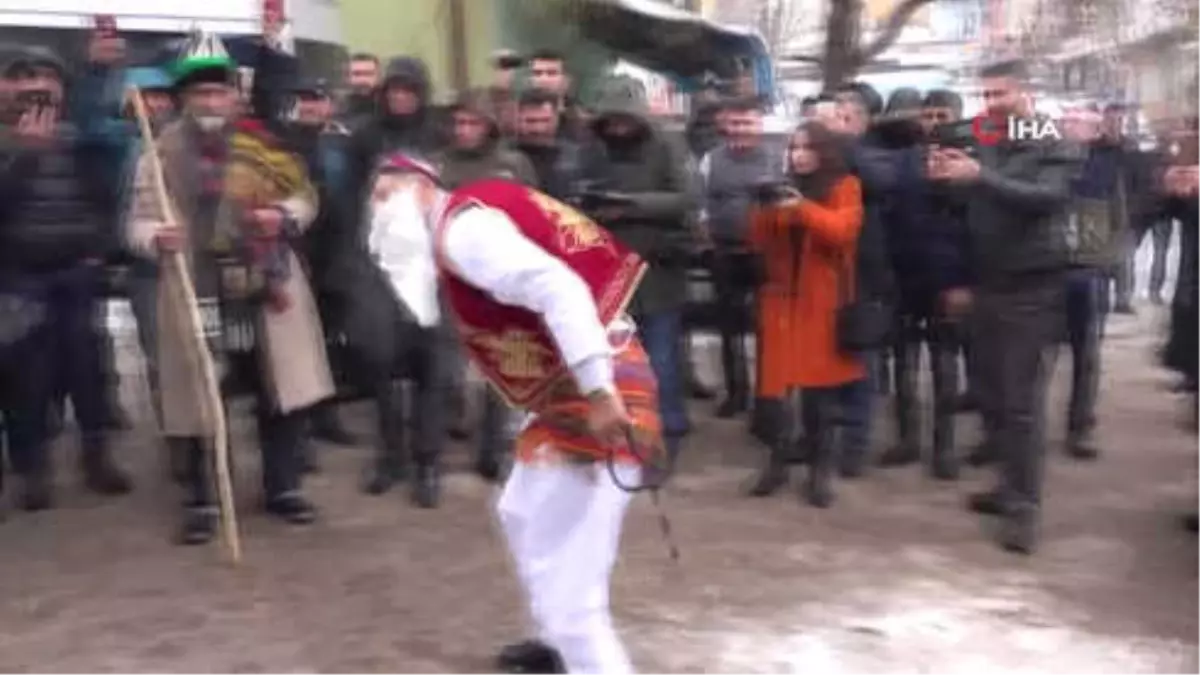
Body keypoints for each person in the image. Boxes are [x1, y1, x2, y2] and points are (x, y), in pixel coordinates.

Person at [371, 153, 660, 674]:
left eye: (384, 195)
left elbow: (561, 289)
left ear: (419, 190)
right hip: (570, 389)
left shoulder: (464, 234)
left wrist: (599, 392)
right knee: (520, 509)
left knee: (572, 594)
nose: (376, 212)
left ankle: (576, 646)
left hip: (593, 389)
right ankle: (554, 645)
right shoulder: (461, 224)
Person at [127, 31, 333, 544]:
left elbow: (306, 199)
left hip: (266, 286)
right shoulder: (160, 151)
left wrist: (281, 213)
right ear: (185, 98)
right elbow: (138, 221)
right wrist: (158, 235)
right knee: (203, 396)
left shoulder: (267, 143)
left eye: (219, 91)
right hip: (196, 286)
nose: (211, 100)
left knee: (275, 391)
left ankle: (283, 487)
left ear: (235, 94)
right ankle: (203, 499)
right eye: (200, 92)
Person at [927, 59, 1077, 554]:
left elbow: (1048, 198)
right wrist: (945, 181)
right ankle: (1006, 486)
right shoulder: (988, 139)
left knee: (1021, 402)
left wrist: (979, 178)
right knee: (990, 393)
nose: (990, 105)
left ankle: (1024, 509)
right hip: (986, 282)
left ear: (1026, 93)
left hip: (1032, 285)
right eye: (985, 96)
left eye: (1000, 95)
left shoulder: (1052, 138)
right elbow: (966, 205)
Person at [0, 41, 132, 511]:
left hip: (77, 274)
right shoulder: (4, 141)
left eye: (47, 79)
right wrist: (22, 155)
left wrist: (99, 250)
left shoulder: (80, 137)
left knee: (87, 370)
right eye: (24, 78)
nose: (36, 88)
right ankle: (34, 472)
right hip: (20, 280)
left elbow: (103, 198)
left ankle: (97, 459)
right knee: (27, 381)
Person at [744, 122, 864, 506]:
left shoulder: (844, 185)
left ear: (824, 151)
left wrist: (801, 206)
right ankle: (777, 464)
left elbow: (842, 231)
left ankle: (819, 471)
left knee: (819, 394)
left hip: (822, 303)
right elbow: (759, 241)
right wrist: (763, 208)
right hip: (781, 300)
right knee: (777, 390)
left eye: (807, 147)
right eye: (794, 148)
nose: (799, 155)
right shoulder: (782, 185)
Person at [580, 76, 694, 465]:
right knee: (616, 363)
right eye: (610, 123)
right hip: (610, 276)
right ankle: (625, 435)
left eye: (623, 122)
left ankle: (666, 435)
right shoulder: (594, 149)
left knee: (661, 362)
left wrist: (630, 205)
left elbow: (686, 197)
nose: (617, 130)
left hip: (659, 270)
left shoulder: (668, 144)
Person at [697, 95, 785, 423]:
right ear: (724, 125)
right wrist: (705, 234)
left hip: (766, 255)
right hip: (725, 253)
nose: (740, 130)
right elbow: (700, 203)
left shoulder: (777, 159)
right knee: (729, 329)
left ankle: (768, 396)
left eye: (747, 122)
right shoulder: (710, 160)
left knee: (768, 328)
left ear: (759, 125)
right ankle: (737, 394)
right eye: (734, 123)